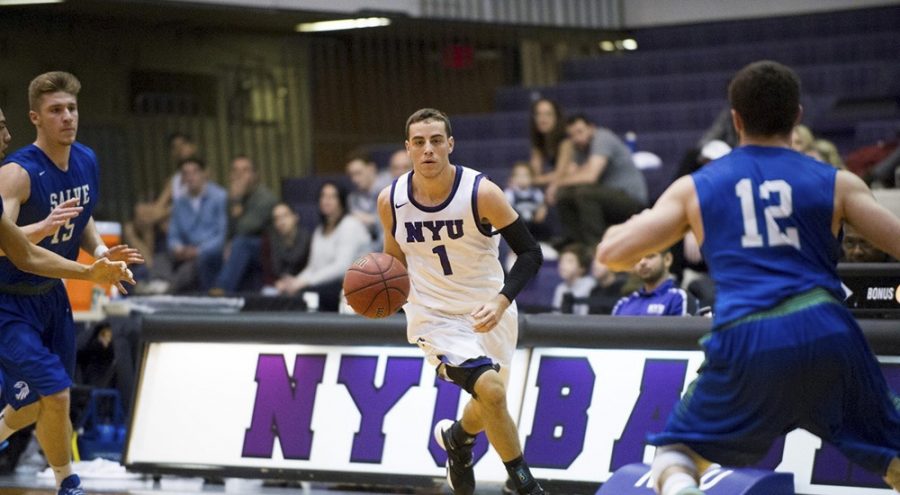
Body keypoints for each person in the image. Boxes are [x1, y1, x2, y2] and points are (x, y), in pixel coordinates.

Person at [597, 61, 900, 495]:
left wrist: (623, 231)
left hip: (748, 335)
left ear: (735, 119)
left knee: (676, 456)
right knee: (892, 456)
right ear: (797, 116)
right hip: (828, 330)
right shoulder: (838, 183)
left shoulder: (696, 187)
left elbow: (612, 255)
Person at [377, 108, 545, 495]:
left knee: (490, 400)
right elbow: (394, 262)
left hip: (490, 309)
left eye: (436, 140)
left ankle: (457, 439)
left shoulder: (481, 193)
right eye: (419, 142)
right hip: (435, 317)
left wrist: (502, 301)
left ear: (450, 144)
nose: (428, 150)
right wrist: (376, 296)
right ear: (408, 149)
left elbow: (531, 253)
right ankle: (524, 484)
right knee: (493, 391)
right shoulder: (392, 200)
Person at [0, 73, 142, 495]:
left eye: (72, 109)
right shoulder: (16, 173)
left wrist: (99, 252)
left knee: (36, 401)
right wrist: (43, 228)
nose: (67, 117)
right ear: (35, 118)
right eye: (56, 110)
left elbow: (82, 217)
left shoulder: (86, 160)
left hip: (51, 296)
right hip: (10, 300)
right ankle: (68, 484)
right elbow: (8, 246)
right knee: (56, 391)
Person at [549, 114, 647, 248]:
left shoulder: (602, 138)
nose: (577, 138)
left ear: (591, 128)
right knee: (564, 194)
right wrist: (558, 186)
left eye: (580, 132)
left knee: (584, 192)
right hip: (606, 196)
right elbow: (571, 173)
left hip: (631, 199)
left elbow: (590, 176)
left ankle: (595, 247)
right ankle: (577, 246)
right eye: (572, 135)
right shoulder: (579, 148)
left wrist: (556, 184)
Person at [278, 181, 369, 311]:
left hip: (354, 285)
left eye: (332, 197)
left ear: (341, 201)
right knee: (291, 294)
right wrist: (294, 282)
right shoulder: (319, 230)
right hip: (328, 284)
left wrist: (305, 282)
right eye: (323, 196)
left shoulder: (350, 225)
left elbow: (341, 267)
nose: (326, 201)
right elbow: (313, 267)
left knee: (307, 296)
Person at [211, 155, 277, 294]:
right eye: (235, 171)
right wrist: (226, 245)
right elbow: (229, 230)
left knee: (241, 243)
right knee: (210, 253)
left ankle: (222, 290)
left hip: (267, 249)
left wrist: (236, 200)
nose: (239, 175)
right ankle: (206, 297)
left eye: (245, 170)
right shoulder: (231, 198)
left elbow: (244, 229)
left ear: (255, 175)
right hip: (240, 245)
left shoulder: (265, 198)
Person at [166, 157, 227, 294]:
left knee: (196, 264)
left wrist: (198, 251)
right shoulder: (179, 203)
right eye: (185, 173)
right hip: (186, 252)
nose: (190, 177)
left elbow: (223, 235)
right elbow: (173, 235)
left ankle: (166, 290)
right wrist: (178, 248)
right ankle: (155, 284)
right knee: (161, 257)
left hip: (210, 253)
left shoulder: (220, 197)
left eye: (194, 172)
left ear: (204, 174)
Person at [611, 250, 697, 317]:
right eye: (638, 258)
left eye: (650, 256)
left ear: (667, 259)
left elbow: (685, 337)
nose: (642, 262)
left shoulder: (679, 298)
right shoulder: (623, 304)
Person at [346, 152, 392, 247]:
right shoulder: (353, 198)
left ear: (371, 169)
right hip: (369, 247)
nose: (354, 179)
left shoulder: (390, 187)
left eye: (358, 173)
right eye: (351, 175)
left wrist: (373, 220)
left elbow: (395, 220)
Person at [528, 98, 574, 186]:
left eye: (548, 114)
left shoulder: (565, 141)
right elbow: (533, 172)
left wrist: (534, 180)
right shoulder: (539, 140)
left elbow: (561, 174)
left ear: (557, 117)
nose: (542, 119)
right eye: (538, 114)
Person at [267, 202, 311, 288]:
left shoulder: (308, 240)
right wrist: (276, 283)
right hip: (278, 285)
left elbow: (311, 268)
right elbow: (268, 272)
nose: (281, 222)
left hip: (302, 283)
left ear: (295, 217)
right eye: (276, 218)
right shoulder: (269, 241)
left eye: (285, 216)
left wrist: (296, 282)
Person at [504, 161, 548, 241]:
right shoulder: (510, 193)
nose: (522, 179)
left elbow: (542, 206)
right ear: (512, 178)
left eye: (525, 176)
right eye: (518, 176)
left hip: (534, 226)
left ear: (532, 178)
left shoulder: (536, 193)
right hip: (517, 227)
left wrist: (541, 211)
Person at [552, 245, 594, 315]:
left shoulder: (590, 286)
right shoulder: (560, 288)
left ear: (582, 267)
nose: (563, 265)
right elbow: (555, 314)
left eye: (569, 261)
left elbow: (586, 317)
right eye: (561, 261)